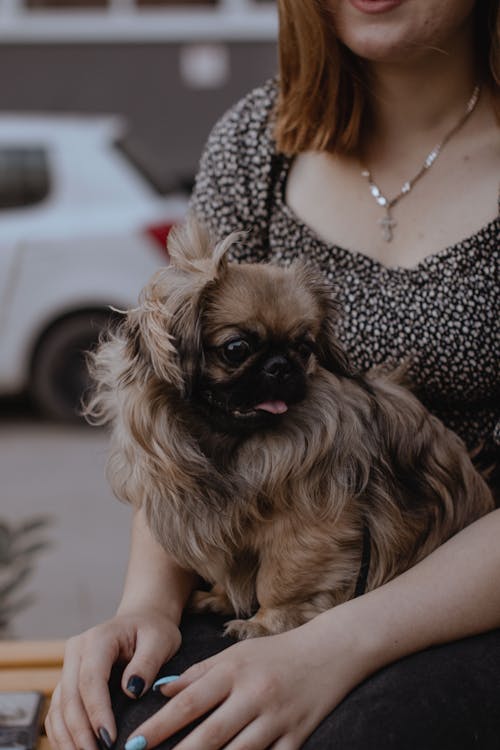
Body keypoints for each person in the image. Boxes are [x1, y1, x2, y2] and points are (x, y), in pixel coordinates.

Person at [46, 0, 500, 748]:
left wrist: (328, 643)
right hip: (254, 578)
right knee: (141, 728)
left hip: (464, 586)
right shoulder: (256, 144)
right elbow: (178, 404)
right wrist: (146, 609)